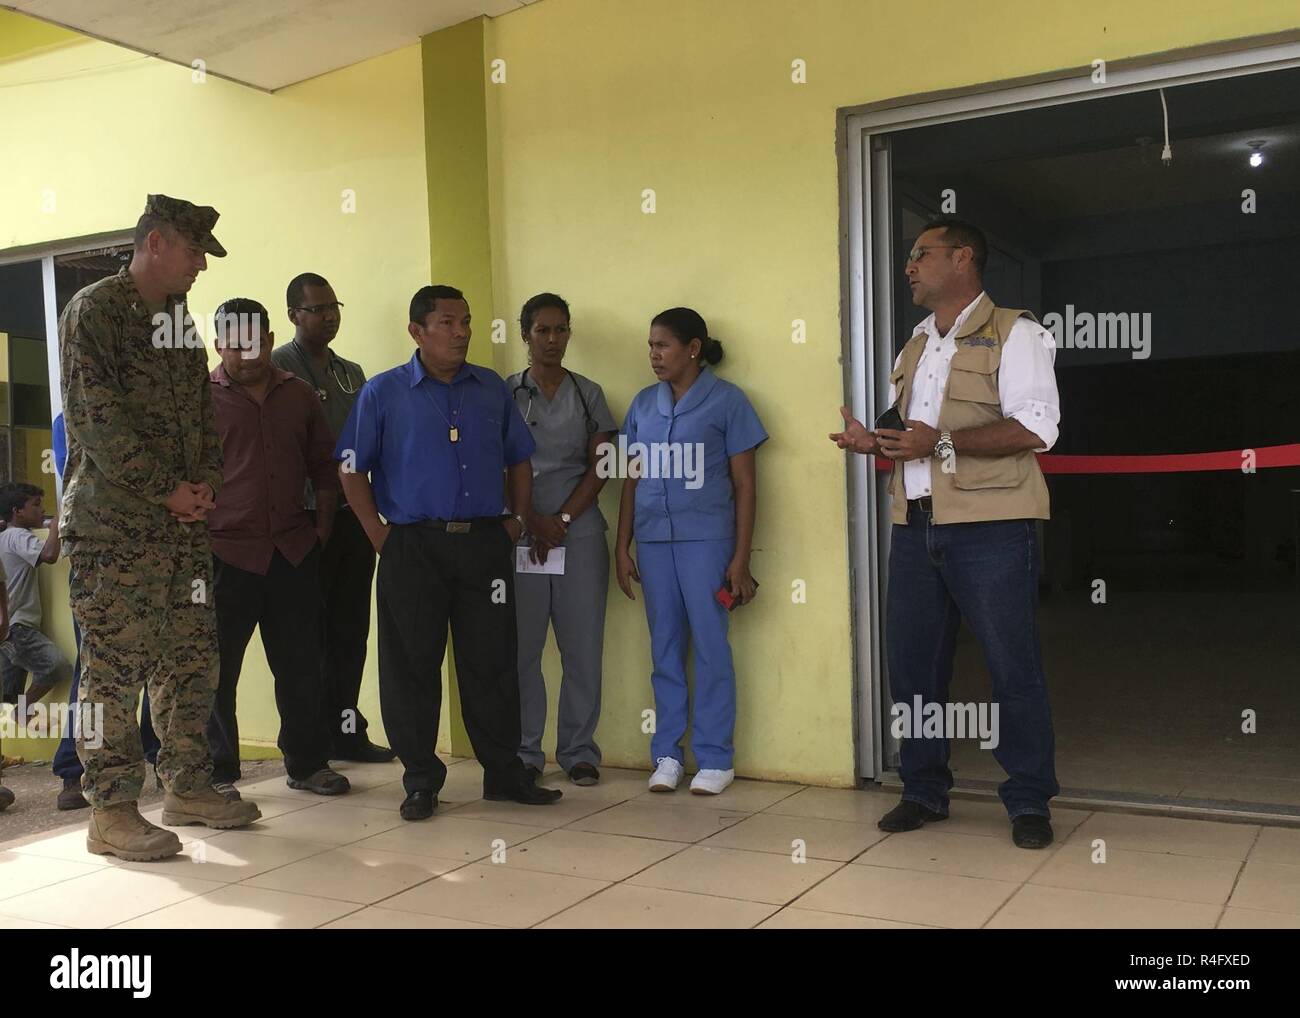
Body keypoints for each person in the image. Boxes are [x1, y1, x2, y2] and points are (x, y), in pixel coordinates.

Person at [829, 215, 1060, 850]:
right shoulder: (916, 344)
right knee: (913, 668)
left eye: (921, 254)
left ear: (962, 260)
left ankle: (1029, 799)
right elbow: (916, 441)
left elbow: (1037, 428)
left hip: (991, 527)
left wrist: (946, 443)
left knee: (1011, 666)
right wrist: (873, 442)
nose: (909, 265)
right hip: (915, 525)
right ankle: (923, 789)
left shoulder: (1017, 334)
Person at [59, 193, 261, 862]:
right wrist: (165, 490)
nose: (202, 263)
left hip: (182, 533)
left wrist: (205, 487)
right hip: (115, 531)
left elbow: (204, 416)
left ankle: (187, 786)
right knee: (114, 672)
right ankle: (111, 812)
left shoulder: (178, 320)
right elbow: (97, 421)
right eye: (195, 249)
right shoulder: (96, 312)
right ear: (156, 244)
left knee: (191, 661)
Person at [336, 284, 563, 820]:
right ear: (416, 331)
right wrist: (377, 533)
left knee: (492, 662)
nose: (461, 332)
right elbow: (351, 465)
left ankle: (504, 773)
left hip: (484, 542)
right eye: (447, 322)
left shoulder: (488, 388)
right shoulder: (383, 392)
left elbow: (520, 460)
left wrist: (513, 523)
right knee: (411, 665)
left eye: (465, 321)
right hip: (411, 546)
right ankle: (420, 780)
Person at [615, 308, 766, 795]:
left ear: (693, 348)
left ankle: (716, 757)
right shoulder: (642, 406)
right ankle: (666, 755)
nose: (655, 355)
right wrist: (622, 545)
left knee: (710, 646)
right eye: (651, 346)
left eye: (664, 345)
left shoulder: (728, 402)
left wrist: (740, 559)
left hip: (709, 543)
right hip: (655, 542)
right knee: (664, 650)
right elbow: (630, 479)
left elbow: (746, 485)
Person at [206, 298, 350, 800]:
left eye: (256, 340)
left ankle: (308, 763)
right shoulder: (200, 400)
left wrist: (323, 528)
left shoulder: (301, 395)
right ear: (219, 343)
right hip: (225, 556)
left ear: (269, 340)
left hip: (292, 551)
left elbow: (324, 466)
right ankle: (217, 772)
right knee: (216, 672)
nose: (247, 352)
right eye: (235, 342)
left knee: (301, 665)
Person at [271, 273, 394, 763]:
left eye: (333, 306)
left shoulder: (352, 372)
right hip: (302, 518)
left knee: (349, 630)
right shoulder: (278, 368)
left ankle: (346, 729)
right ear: (292, 316)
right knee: (306, 634)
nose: (328, 316)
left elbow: (366, 441)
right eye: (316, 308)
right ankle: (308, 740)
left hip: (353, 515)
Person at [506, 294, 617, 786]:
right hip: (523, 535)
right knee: (522, 649)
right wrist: (530, 517)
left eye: (561, 330)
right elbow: (499, 464)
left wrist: (564, 518)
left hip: (579, 532)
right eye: (542, 331)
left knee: (582, 647)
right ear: (525, 334)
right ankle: (526, 752)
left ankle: (578, 751)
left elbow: (603, 465)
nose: (553, 340)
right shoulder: (506, 394)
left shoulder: (589, 393)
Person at [49, 413, 160, 811]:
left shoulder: (159, 403)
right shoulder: (79, 412)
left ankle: (158, 756)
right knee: (96, 672)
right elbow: (90, 478)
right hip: (101, 556)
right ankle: (75, 768)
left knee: (165, 664)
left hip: (160, 552)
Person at [0, 483, 73, 728]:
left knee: (8, 692)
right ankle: (23, 711)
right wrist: (56, 527)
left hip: (9, 625)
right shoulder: (17, 536)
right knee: (56, 665)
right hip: (18, 625)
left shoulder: (5, 536)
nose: (43, 511)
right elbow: (50, 554)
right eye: (36, 505)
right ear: (17, 511)